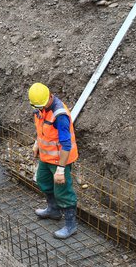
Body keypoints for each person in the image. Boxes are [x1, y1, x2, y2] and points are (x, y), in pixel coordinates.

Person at [29, 82, 79, 239]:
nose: (40, 108)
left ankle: (71, 225)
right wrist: (37, 142)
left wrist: (61, 169)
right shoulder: (40, 107)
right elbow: (43, 129)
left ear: (50, 96)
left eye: (42, 105)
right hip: (46, 157)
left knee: (63, 191)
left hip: (60, 160)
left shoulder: (60, 116)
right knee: (43, 180)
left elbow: (66, 144)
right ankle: (53, 210)